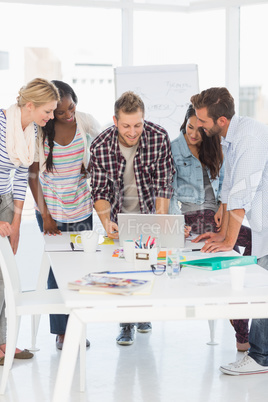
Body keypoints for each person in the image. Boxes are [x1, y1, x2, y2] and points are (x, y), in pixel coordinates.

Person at [190, 87, 268, 375]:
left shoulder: (249, 137)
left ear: (221, 120)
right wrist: (222, 237)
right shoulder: (232, 136)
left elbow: (242, 193)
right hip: (263, 226)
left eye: (202, 121)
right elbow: (229, 180)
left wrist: (228, 242)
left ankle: (261, 358)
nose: (198, 125)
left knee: (263, 291)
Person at [90, 91, 175, 345]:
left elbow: (164, 183)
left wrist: (160, 221)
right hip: (118, 215)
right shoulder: (100, 145)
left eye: (138, 125)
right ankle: (126, 323)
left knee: (147, 266)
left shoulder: (158, 137)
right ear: (115, 121)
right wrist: (107, 223)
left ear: (144, 119)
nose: (132, 131)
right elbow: (100, 190)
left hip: (148, 211)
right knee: (123, 270)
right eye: (126, 125)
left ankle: (144, 314)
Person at [169, 104, 252, 351]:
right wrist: (175, 222)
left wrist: (222, 208)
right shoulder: (173, 149)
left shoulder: (214, 146)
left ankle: (247, 288)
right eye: (189, 127)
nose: (194, 134)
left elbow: (226, 181)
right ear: (184, 124)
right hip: (191, 215)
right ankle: (243, 335)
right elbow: (169, 192)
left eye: (199, 129)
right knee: (231, 262)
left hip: (216, 213)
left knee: (254, 241)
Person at [29, 80, 101, 350]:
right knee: (57, 272)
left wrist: (90, 164)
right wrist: (45, 215)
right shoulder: (40, 131)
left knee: (82, 270)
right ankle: (62, 332)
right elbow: (33, 175)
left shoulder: (84, 121)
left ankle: (79, 325)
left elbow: (105, 145)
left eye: (71, 106)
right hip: (51, 210)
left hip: (82, 205)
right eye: (60, 111)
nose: (68, 114)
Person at [0, 77, 59, 364]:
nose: (51, 117)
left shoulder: (31, 130)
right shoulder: (0, 123)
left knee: (6, 276)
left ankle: (3, 342)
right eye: (47, 111)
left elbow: (22, 175)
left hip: (6, 202)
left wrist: (16, 221)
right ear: (31, 105)